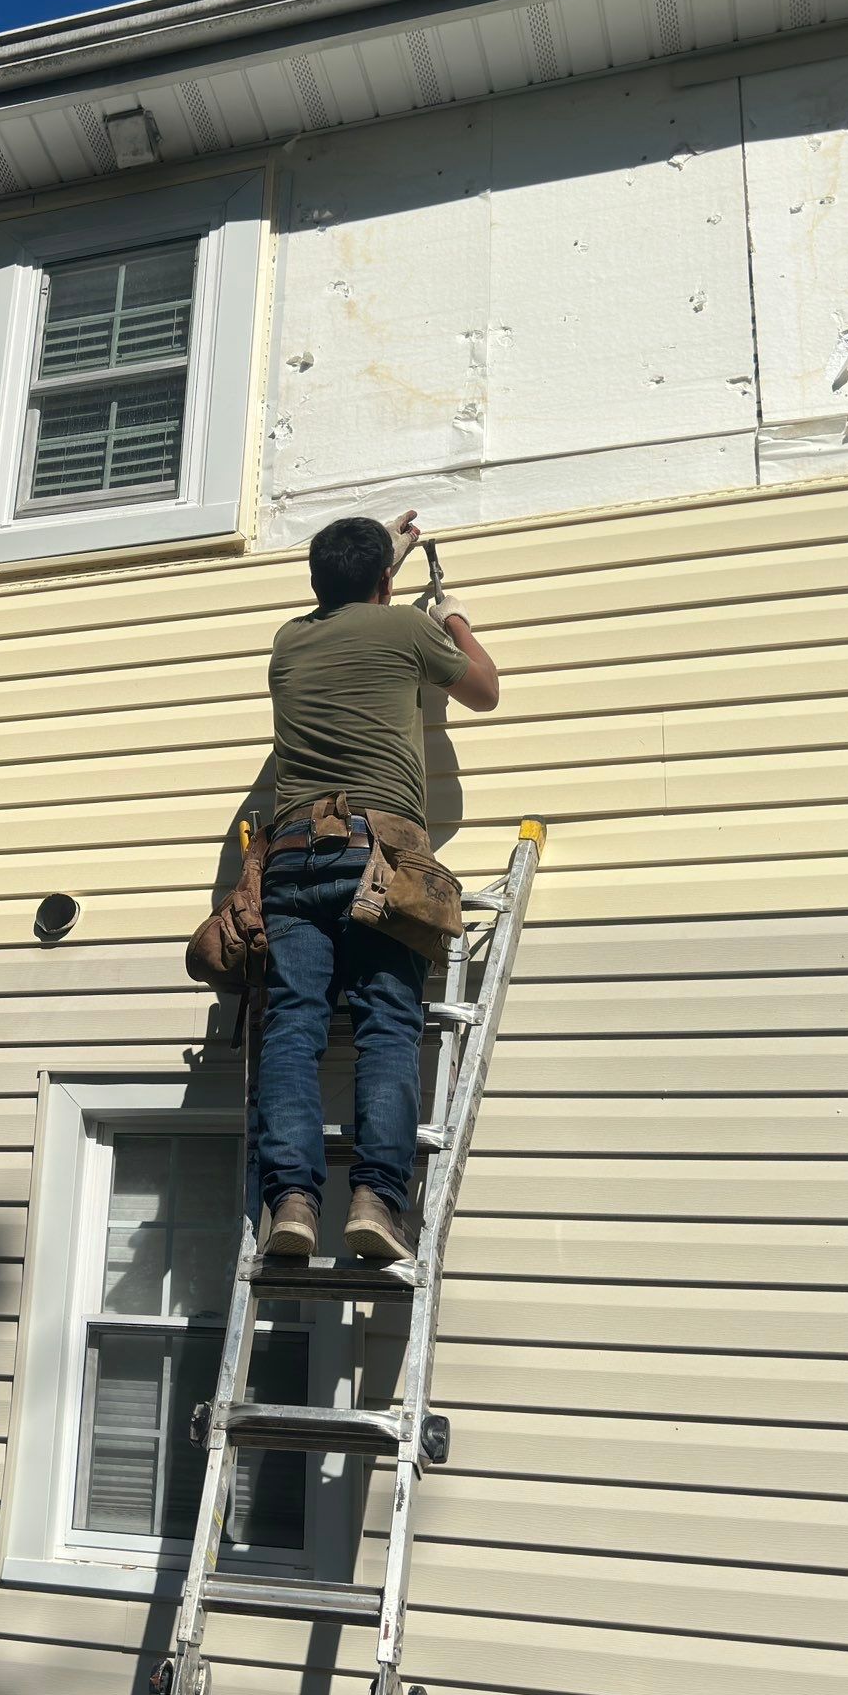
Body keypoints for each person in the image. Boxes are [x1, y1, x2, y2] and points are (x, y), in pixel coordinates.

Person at [249, 512, 501, 1263]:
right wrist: (451, 617)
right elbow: (484, 690)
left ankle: (291, 1202)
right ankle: (377, 1203)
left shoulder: (287, 643)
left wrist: (376, 566)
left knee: (293, 1030)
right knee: (387, 1026)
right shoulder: (406, 634)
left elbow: (346, 601)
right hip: (379, 856)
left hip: (292, 858)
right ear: (387, 584)